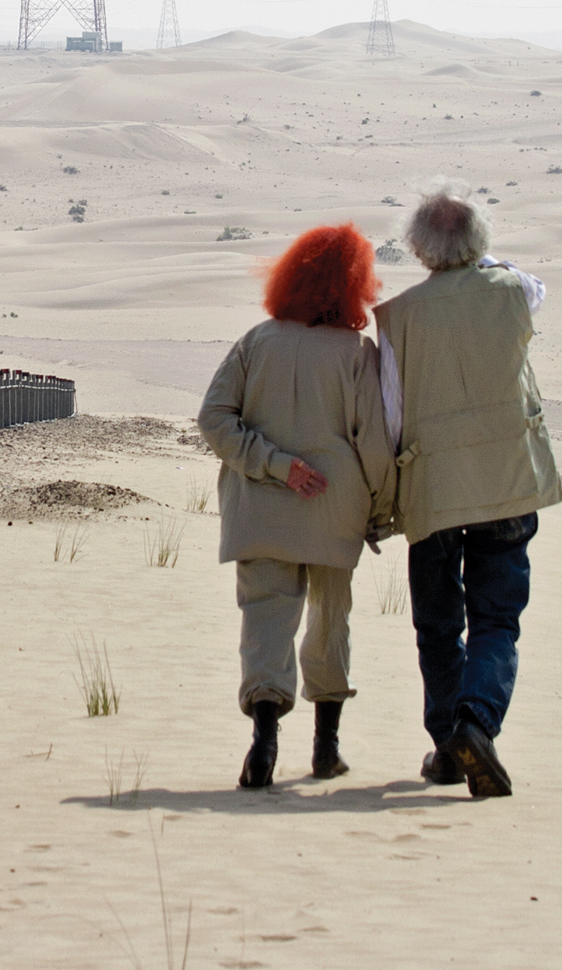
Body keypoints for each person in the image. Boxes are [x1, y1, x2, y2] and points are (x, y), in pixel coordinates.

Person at [375, 187, 562, 799]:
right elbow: (529, 282)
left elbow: (392, 415)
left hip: (432, 487)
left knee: (436, 622)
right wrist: (483, 263)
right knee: (495, 618)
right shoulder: (513, 290)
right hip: (506, 481)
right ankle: (475, 723)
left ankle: (448, 745)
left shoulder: (399, 315)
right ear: (480, 242)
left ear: (416, 247)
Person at [198, 223, 394, 789]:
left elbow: (214, 420)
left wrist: (275, 464)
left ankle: (263, 741)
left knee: (265, 620)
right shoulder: (357, 353)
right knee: (330, 624)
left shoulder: (257, 341)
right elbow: (375, 443)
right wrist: (380, 510)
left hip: (260, 508)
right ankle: (325, 749)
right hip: (337, 508)